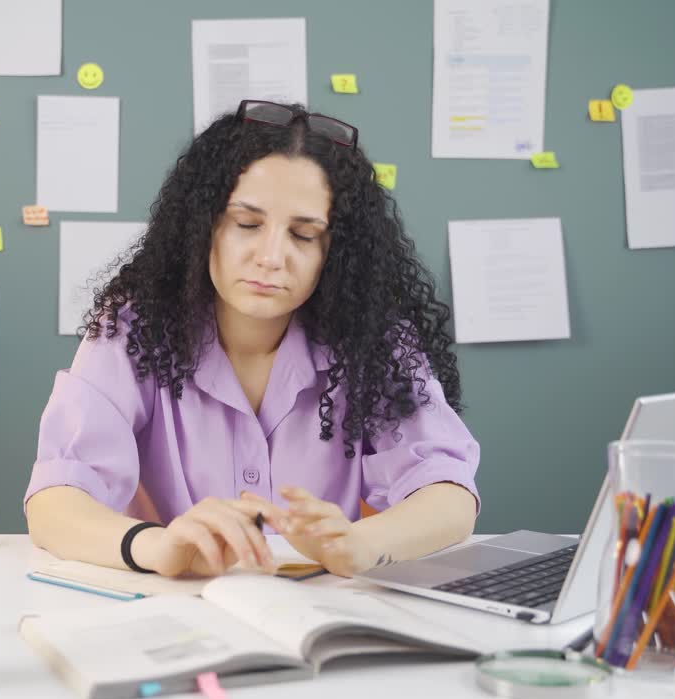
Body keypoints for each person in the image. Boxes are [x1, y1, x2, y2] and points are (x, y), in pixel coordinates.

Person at [24, 100, 479, 578]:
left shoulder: (374, 342)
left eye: (304, 235)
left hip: (321, 612)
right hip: (166, 608)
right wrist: (158, 547)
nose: (271, 257)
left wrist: (363, 543)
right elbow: (56, 499)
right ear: (203, 227)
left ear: (335, 252)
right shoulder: (133, 330)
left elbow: (447, 491)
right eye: (247, 224)